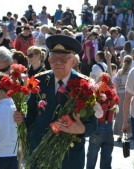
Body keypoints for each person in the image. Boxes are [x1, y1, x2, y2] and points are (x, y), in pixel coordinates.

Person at [13, 34, 97, 169]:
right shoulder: (39, 80)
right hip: (39, 153)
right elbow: (31, 115)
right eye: (54, 59)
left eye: (63, 59)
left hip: (69, 157)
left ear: (73, 62)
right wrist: (21, 118)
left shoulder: (85, 85)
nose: (58, 63)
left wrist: (82, 129)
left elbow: (93, 124)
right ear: (49, 61)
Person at [86, 73, 118, 169]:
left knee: (92, 157)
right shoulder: (113, 94)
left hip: (98, 126)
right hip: (109, 127)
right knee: (106, 160)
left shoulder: (97, 94)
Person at [113, 55, 132, 141]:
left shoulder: (120, 72)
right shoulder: (132, 71)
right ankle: (128, 133)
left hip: (121, 93)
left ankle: (119, 134)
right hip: (130, 94)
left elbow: (115, 83)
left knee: (120, 113)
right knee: (129, 113)